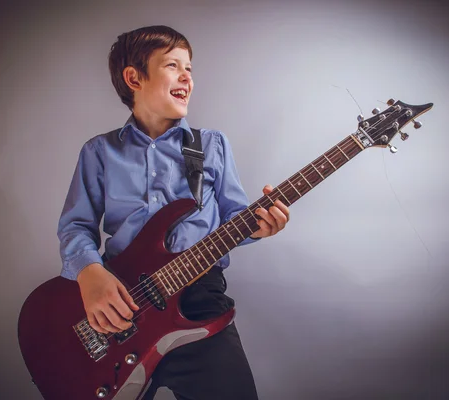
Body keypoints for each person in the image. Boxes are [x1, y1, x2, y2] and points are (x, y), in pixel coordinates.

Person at [58, 25, 290, 400]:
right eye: (172, 65)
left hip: (199, 302)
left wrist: (260, 226)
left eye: (190, 68)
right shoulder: (98, 152)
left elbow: (235, 217)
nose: (187, 77)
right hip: (123, 306)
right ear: (133, 77)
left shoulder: (212, 145)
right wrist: (90, 274)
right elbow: (76, 226)